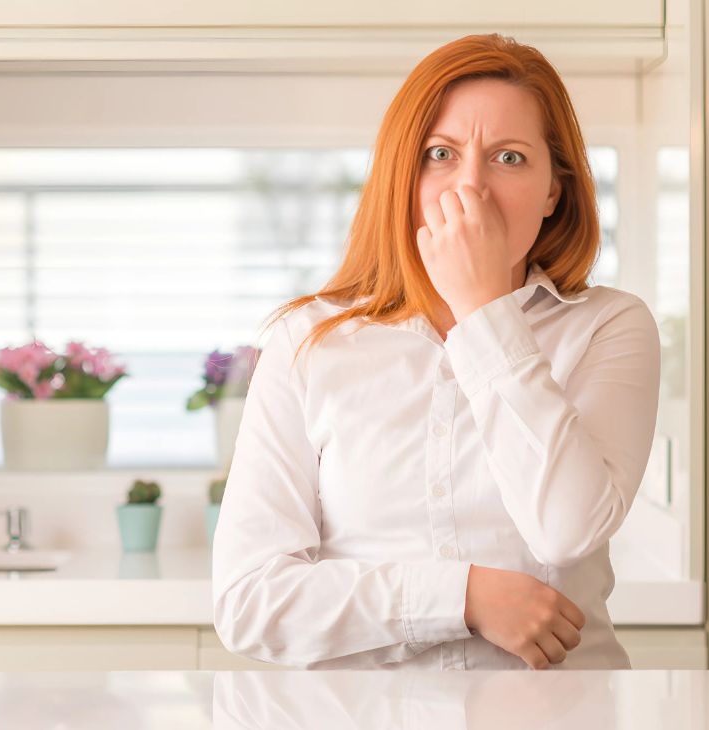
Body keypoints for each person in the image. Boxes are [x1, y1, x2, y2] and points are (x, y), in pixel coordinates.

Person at [210, 32, 662, 671]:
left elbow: (567, 532)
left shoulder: (609, 327)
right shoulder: (308, 341)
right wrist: (463, 596)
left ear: (554, 193)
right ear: (404, 176)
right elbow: (251, 601)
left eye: (508, 158)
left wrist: (484, 311)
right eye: (441, 154)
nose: (469, 189)